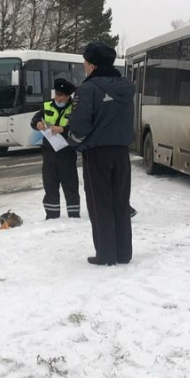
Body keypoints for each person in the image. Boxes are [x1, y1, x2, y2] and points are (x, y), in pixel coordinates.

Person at [67, 42, 135, 266]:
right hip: (122, 153)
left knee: (100, 204)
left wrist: (73, 142)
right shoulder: (126, 87)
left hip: (96, 154)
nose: (84, 67)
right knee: (120, 202)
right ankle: (123, 252)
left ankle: (106, 253)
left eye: (85, 63)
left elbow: (79, 125)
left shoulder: (87, 89)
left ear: (93, 65)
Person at [30, 78, 80, 219]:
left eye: (61, 96)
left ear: (68, 96)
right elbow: (34, 121)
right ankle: (51, 215)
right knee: (50, 185)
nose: (58, 98)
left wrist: (63, 129)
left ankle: (74, 214)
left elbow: (79, 127)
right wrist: (38, 124)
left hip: (67, 153)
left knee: (70, 185)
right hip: (49, 153)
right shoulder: (46, 106)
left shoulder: (74, 108)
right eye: (57, 95)